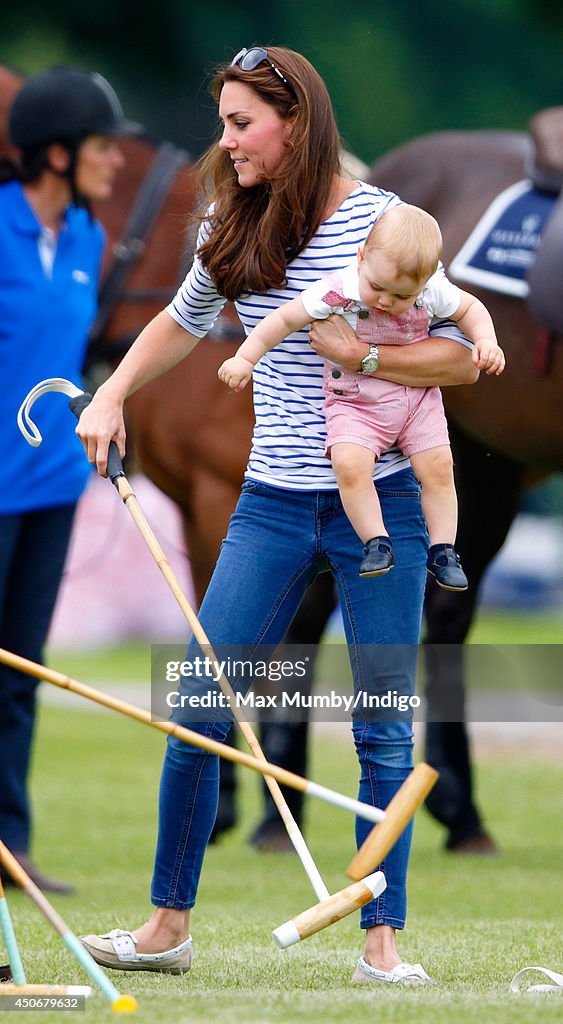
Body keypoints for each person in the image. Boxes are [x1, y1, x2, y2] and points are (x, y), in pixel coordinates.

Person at [76, 46, 479, 985]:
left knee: (382, 720)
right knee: (201, 709)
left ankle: (383, 943)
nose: (227, 140)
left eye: (240, 123)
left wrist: (366, 362)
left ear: (293, 123)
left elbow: (461, 359)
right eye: (223, 121)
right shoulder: (232, 215)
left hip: (380, 503)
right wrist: (114, 394)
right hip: (271, 504)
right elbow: (182, 318)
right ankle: (165, 927)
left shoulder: (387, 223)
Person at [218, 204, 504, 587]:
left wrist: (487, 341)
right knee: (350, 465)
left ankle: (444, 549)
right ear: (361, 257)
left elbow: (470, 308)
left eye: (402, 296)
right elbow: (284, 319)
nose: (385, 301)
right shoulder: (338, 290)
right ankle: (375, 541)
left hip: (415, 399)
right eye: (378, 288)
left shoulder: (429, 290)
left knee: (438, 467)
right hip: (356, 401)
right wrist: (245, 357)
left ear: (421, 286)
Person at [0, 66, 130, 893]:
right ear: (54, 153)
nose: (114, 162)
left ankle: (9, 847)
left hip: (51, 489)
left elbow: (71, 361)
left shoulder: (87, 239)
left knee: (20, 674)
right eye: (100, 146)